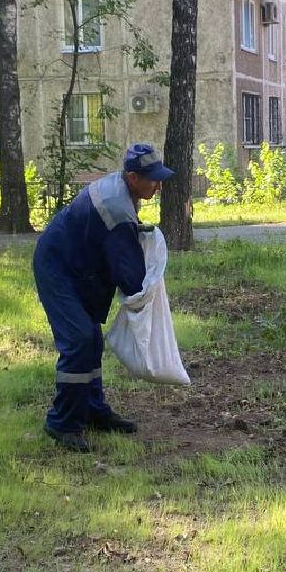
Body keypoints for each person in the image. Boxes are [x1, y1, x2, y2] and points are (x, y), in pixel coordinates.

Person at [33, 143, 174, 451]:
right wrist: (146, 294)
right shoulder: (116, 208)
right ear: (133, 177)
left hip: (77, 265)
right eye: (153, 179)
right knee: (80, 340)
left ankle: (93, 409)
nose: (158, 184)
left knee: (92, 340)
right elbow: (127, 270)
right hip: (57, 267)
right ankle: (62, 423)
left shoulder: (122, 190)